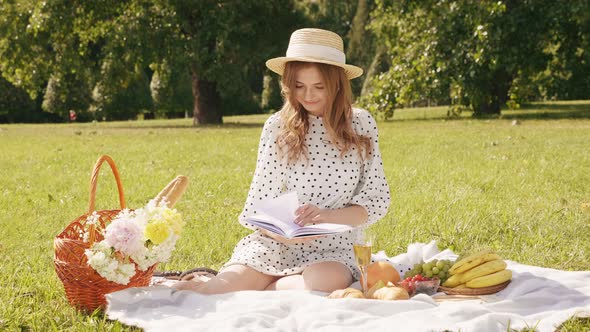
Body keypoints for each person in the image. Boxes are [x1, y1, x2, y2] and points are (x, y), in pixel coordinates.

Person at [173, 28, 390, 294]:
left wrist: (327, 217)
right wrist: (284, 234)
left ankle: (267, 287)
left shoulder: (361, 123)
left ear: (337, 84)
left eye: (319, 86)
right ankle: (240, 283)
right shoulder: (278, 127)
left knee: (324, 284)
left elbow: (375, 200)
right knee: (212, 293)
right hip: (277, 244)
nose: (308, 95)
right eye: (299, 86)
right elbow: (259, 203)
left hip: (335, 248)